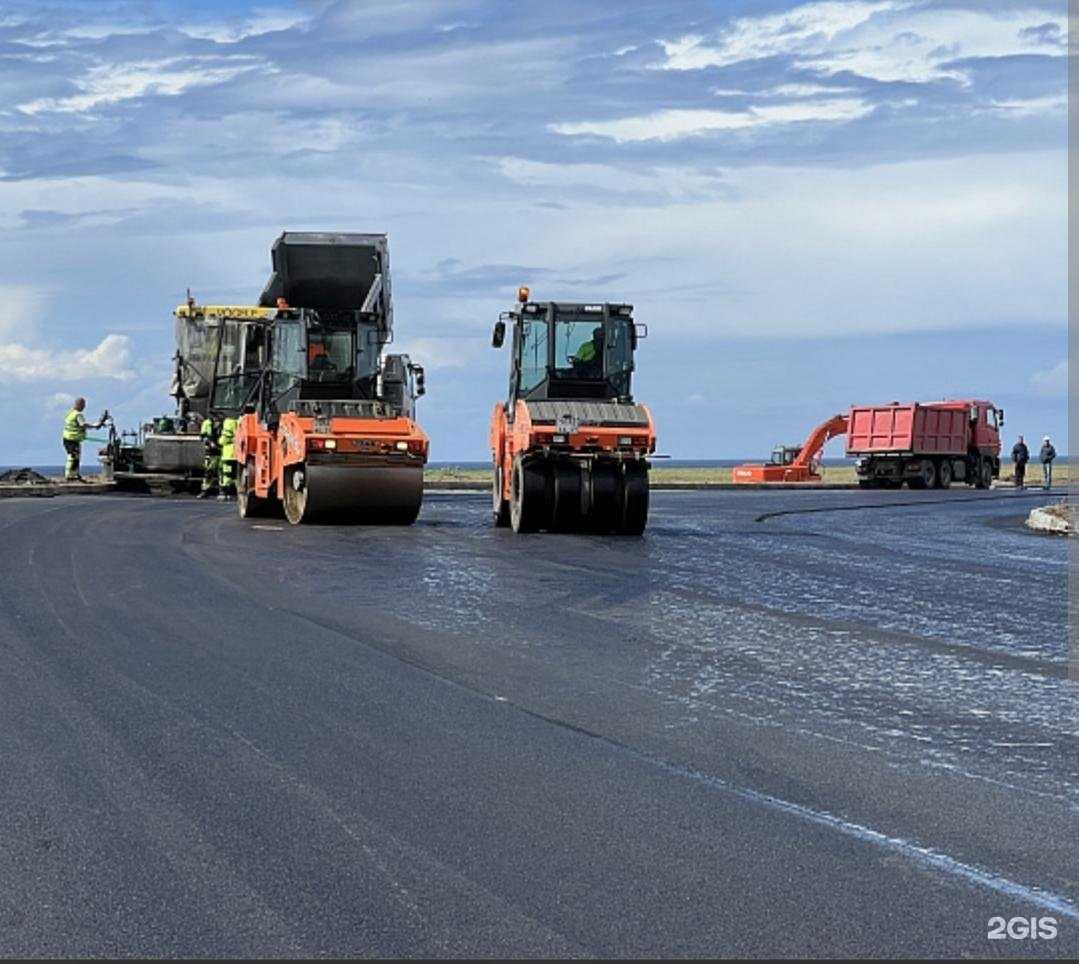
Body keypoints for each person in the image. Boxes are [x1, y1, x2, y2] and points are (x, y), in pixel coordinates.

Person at [61, 397, 108, 482]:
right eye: (83, 405)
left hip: (67, 438)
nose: (84, 407)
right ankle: (71, 476)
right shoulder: (78, 415)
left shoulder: (70, 413)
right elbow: (82, 424)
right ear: (79, 404)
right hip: (73, 438)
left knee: (74, 456)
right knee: (73, 457)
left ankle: (74, 474)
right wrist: (94, 426)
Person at [196, 415, 220, 499]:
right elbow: (203, 436)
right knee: (209, 472)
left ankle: (223, 491)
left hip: (221, 451)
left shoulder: (223, 423)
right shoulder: (207, 423)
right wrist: (210, 443)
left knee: (223, 473)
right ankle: (205, 490)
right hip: (211, 451)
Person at [218, 416, 239, 501]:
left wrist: (219, 441)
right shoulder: (239, 422)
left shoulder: (228, 424)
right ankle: (235, 493)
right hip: (237, 455)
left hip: (228, 455)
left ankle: (225, 493)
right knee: (235, 476)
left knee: (227, 475)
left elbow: (222, 441)